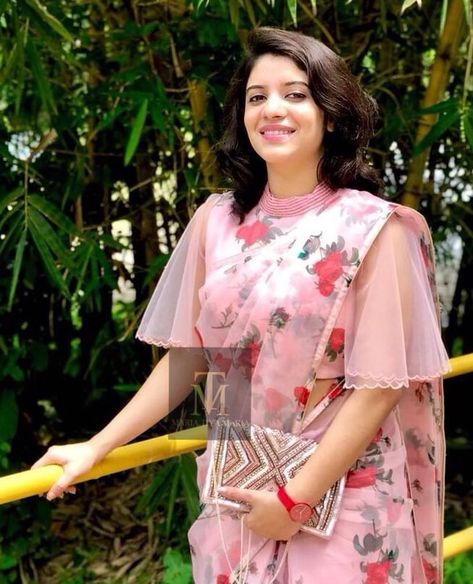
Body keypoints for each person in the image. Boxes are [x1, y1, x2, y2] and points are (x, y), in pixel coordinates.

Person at [32, 27, 450, 584]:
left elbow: (381, 387)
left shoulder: (376, 228)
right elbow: (188, 359)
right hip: (240, 489)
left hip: (345, 492)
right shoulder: (217, 222)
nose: (273, 109)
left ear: (331, 111)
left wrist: (296, 500)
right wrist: (97, 446)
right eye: (258, 97)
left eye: (295, 94)